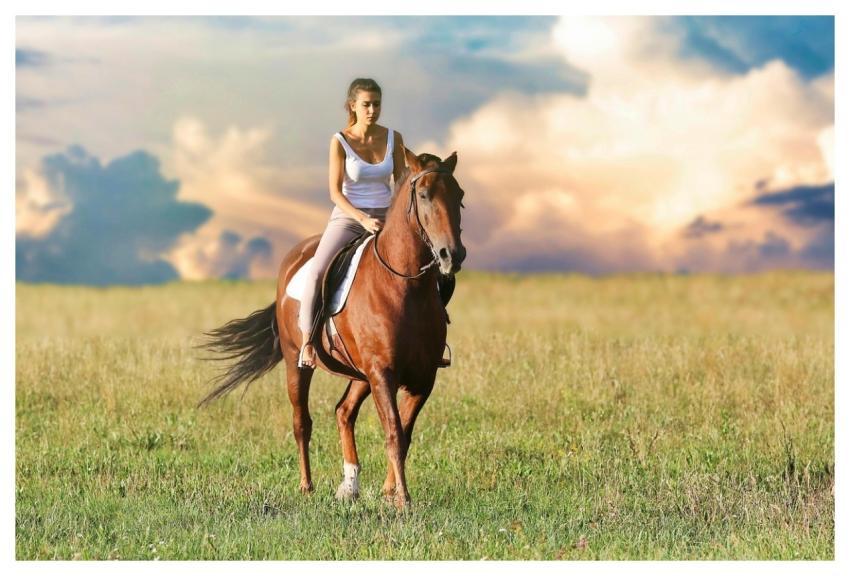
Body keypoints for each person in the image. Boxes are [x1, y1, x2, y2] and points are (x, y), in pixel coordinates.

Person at [297, 78, 407, 368]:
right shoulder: (340, 140)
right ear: (353, 106)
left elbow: (402, 182)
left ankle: (432, 335)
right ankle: (307, 341)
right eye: (366, 104)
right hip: (349, 217)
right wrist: (363, 219)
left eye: (377, 104)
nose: (372, 110)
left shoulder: (394, 138)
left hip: (386, 215)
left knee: (429, 265)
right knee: (318, 270)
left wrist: (396, 217)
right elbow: (335, 192)